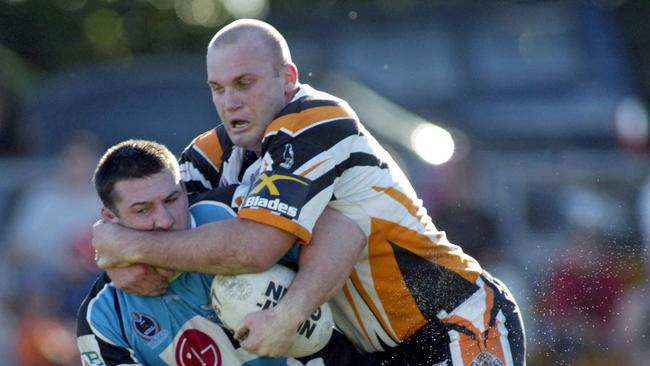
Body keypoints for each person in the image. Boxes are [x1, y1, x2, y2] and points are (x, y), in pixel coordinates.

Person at [93, 19, 526, 365]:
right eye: (218, 89)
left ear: (288, 78)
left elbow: (255, 249)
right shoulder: (213, 150)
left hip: (455, 319)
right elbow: (163, 226)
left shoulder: (316, 120)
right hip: (372, 352)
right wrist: (115, 254)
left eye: (245, 83)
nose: (230, 102)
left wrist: (122, 245)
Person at [79, 139, 367, 365]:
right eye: (143, 210)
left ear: (182, 188)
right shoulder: (103, 315)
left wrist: (290, 315)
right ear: (109, 217)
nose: (165, 220)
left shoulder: (234, 211)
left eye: (172, 199)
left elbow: (344, 227)